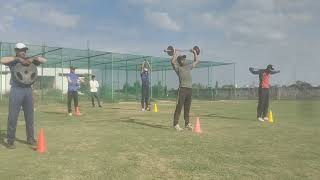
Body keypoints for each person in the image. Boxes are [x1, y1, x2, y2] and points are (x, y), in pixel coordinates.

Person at [0, 43, 47, 149]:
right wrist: (18, 59)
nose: (23, 51)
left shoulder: (31, 60)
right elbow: (2, 60)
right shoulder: (13, 61)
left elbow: (44, 60)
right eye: (21, 50)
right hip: (16, 90)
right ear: (16, 50)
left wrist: (33, 58)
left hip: (28, 91)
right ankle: (10, 141)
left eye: (25, 50)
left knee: (30, 116)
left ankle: (30, 139)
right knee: (13, 116)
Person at [171, 48, 199, 131]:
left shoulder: (188, 67)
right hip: (182, 89)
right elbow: (172, 62)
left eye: (184, 58)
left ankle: (187, 124)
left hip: (189, 89)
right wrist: (175, 52)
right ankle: (176, 124)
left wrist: (194, 52)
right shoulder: (178, 68)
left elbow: (196, 61)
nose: (184, 59)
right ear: (179, 61)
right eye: (182, 58)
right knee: (179, 107)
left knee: (187, 108)